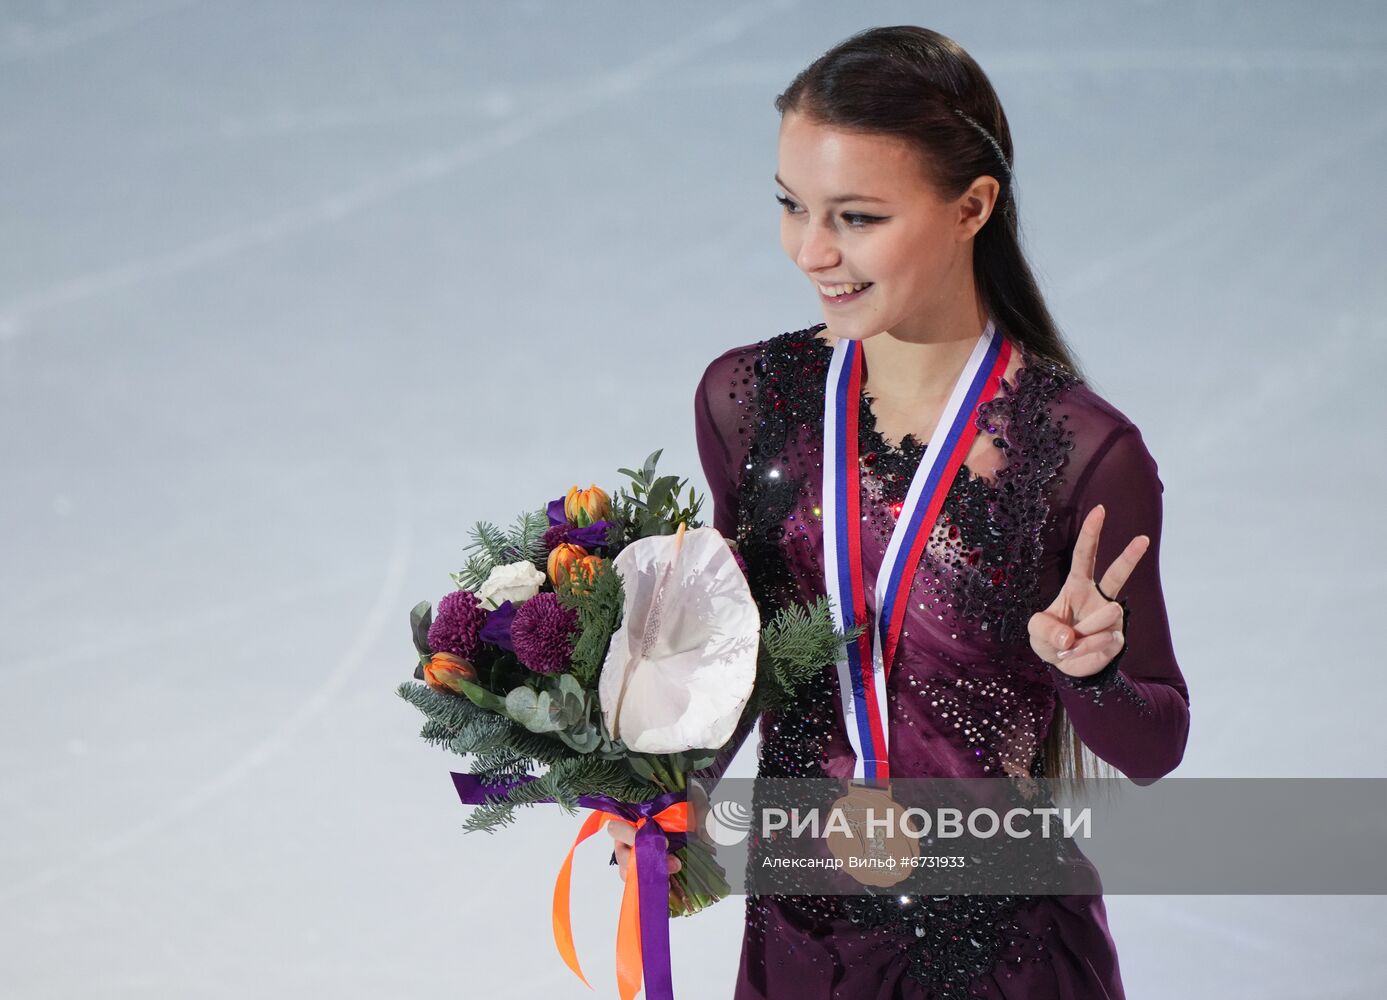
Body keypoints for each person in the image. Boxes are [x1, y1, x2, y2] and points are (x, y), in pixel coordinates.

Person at [610, 25, 1190, 999]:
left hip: (1004, 952)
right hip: (804, 943)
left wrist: (1087, 674)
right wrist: (674, 802)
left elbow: (1153, 745)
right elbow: (748, 650)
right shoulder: (749, 400)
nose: (812, 250)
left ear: (971, 208)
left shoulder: (1082, 454)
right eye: (792, 206)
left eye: (858, 216)